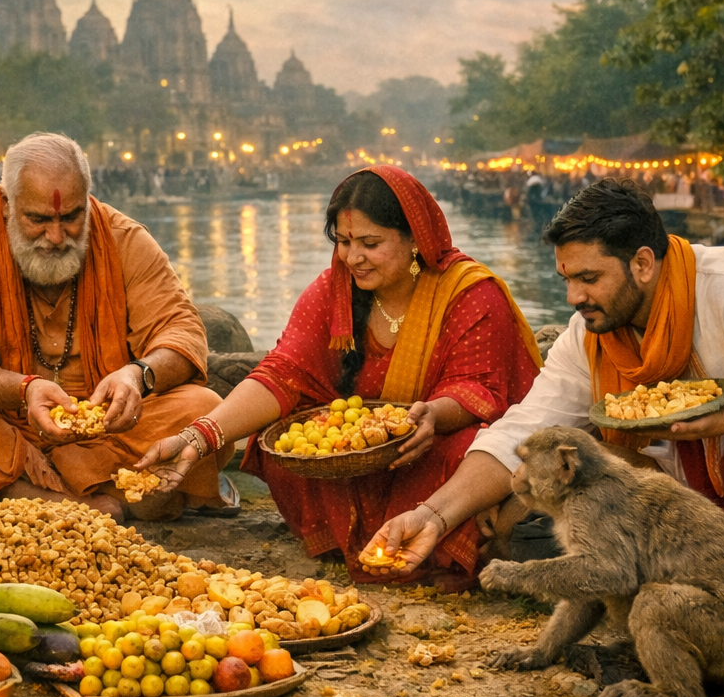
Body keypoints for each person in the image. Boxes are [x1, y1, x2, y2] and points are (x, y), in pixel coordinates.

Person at [369, 178, 724, 638]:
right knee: (545, 505)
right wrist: (433, 514)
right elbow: (527, 426)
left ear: (644, 263)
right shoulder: (590, 331)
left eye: (589, 278)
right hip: (687, 495)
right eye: (566, 278)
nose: (574, 296)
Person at [138, 166, 542, 584]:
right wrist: (197, 437)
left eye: (370, 243)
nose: (353, 257)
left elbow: (480, 390)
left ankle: (437, 546)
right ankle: (357, 543)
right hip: (354, 456)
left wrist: (434, 416)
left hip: (432, 446)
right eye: (344, 242)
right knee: (282, 442)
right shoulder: (333, 290)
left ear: (415, 239)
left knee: (470, 450)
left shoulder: (471, 294)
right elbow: (284, 372)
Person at [0, 132, 228, 521]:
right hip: (1, 423)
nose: (56, 237)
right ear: (6, 205)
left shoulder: (123, 238)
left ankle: (21, 503)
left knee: (205, 410)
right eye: (38, 219)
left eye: (71, 217)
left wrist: (138, 376)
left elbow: (181, 331)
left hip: (110, 427)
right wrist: (24, 390)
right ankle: (86, 501)